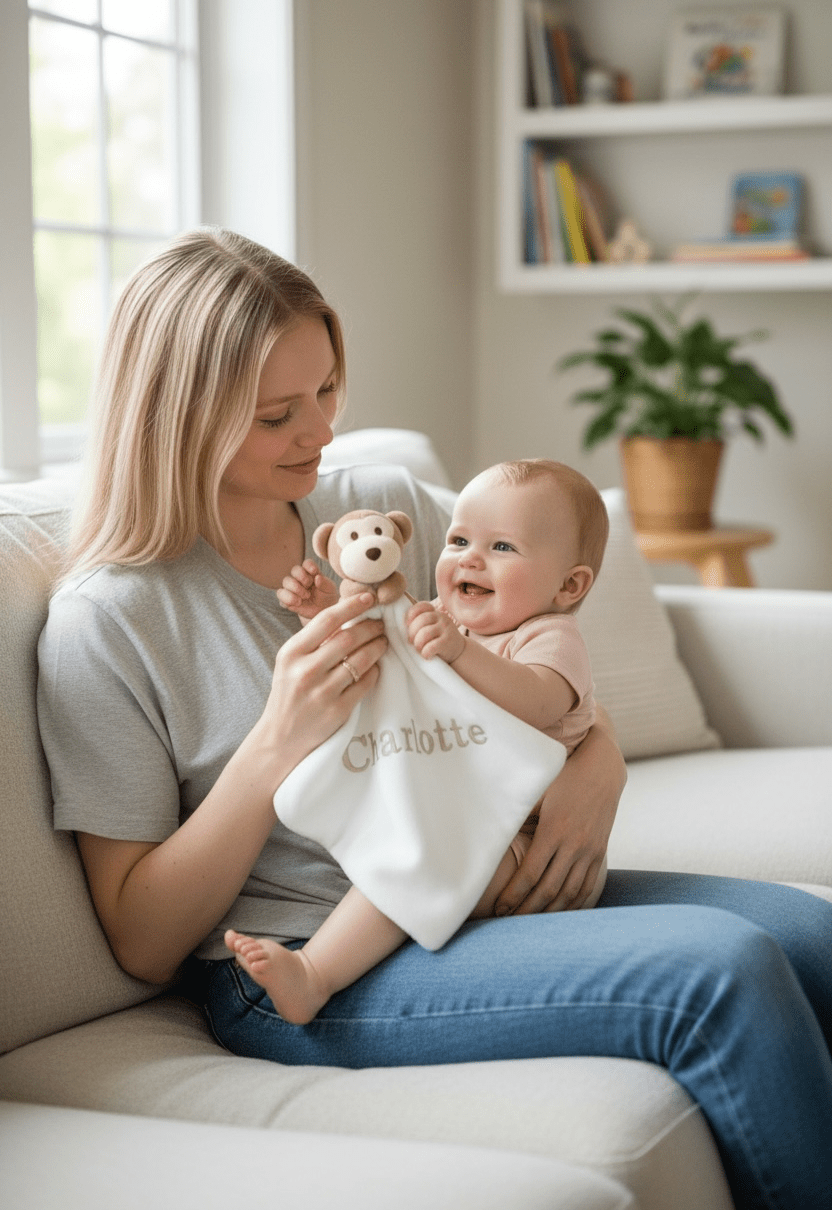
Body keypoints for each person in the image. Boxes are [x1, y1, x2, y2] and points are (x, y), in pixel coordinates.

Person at [37, 228, 832, 1210]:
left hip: (471, 884)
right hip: (303, 960)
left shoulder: (381, 506)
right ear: (175, 417)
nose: (319, 432)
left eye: (327, 390)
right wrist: (275, 741)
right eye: (277, 413)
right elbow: (142, 940)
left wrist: (598, 759)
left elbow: (535, 627)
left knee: (807, 929)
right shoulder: (106, 621)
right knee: (724, 974)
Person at [225, 458, 610, 1025]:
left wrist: (460, 652)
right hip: (463, 814)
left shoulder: (550, 639)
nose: (469, 559)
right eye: (458, 540)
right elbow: (386, 652)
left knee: (411, 869)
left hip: (526, 850)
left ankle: (314, 975)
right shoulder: (444, 620)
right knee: (400, 853)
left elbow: (536, 701)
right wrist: (327, 610)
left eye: (503, 547)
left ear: (569, 585)